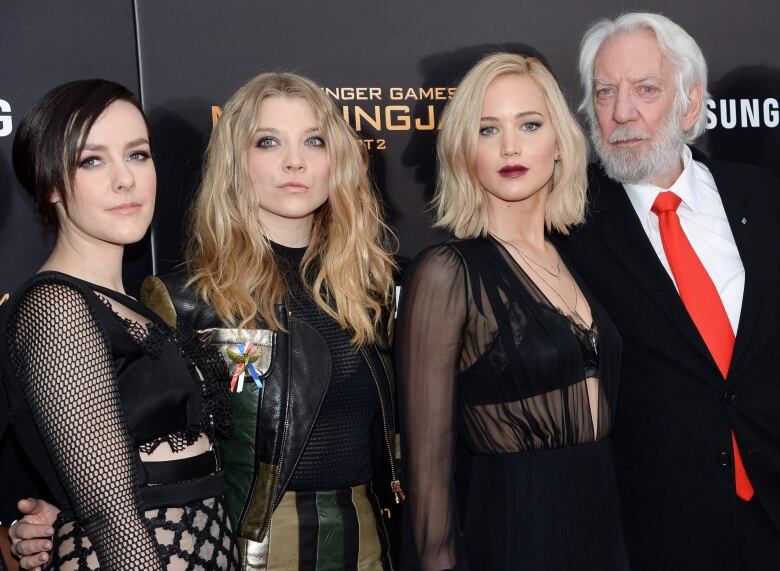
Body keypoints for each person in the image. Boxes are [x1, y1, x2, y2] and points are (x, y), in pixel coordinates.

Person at [9, 72, 401, 571]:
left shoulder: (368, 292)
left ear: (339, 160)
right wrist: (53, 516)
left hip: (370, 543)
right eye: (268, 142)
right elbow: (109, 457)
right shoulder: (181, 301)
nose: (294, 161)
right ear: (236, 162)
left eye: (314, 140)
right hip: (246, 549)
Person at [555, 12, 780, 571]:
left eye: (645, 90)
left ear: (689, 102)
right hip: (653, 531)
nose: (622, 112)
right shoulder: (568, 228)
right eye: (605, 93)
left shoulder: (761, 197)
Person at [397, 52, 629, 571]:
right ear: (464, 151)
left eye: (529, 124)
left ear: (559, 142)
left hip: (603, 525)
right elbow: (427, 472)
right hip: (513, 533)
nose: (510, 146)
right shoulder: (447, 271)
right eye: (487, 129)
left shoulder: (576, 259)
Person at [0, 79, 239, 570]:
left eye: (137, 155)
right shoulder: (55, 307)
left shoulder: (134, 307)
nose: (125, 179)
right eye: (92, 160)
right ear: (48, 182)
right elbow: (112, 517)